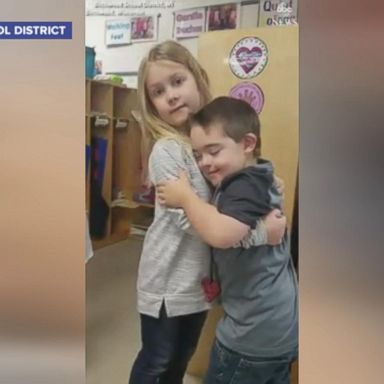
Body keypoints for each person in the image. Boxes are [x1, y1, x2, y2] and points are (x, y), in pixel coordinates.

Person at [128, 41, 287, 384]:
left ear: (198, 79)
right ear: (151, 104)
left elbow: (234, 190)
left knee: (181, 360)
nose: (171, 95)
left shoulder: (208, 143)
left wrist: (263, 183)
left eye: (177, 81)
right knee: (156, 362)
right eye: (158, 91)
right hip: (168, 283)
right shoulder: (167, 151)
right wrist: (260, 231)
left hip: (200, 282)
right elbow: (194, 220)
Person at [157, 96, 298, 384]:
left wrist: (185, 197)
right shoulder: (256, 176)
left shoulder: (243, 185)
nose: (205, 163)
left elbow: (221, 234)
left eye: (213, 151)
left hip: (251, 335)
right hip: (278, 327)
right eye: (198, 155)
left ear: (247, 144)